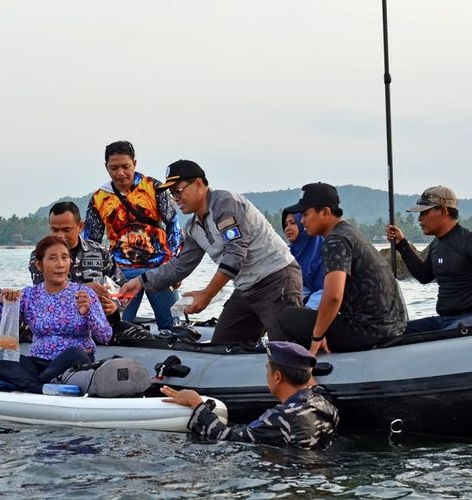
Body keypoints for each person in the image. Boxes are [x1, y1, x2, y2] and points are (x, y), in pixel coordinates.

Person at [119, 160, 302, 344]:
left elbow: (236, 253)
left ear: (198, 184)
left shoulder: (225, 203)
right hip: (246, 288)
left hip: (276, 279)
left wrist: (207, 294)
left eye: (178, 190)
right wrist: (140, 282)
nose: (175, 198)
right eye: (172, 193)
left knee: (288, 352)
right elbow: (179, 266)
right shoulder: (193, 227)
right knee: (222, 346)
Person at [278, 183, 406, 354]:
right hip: (393, 325)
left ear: (325, 212)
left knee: (288, 317)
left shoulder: (335, 240)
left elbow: (333, 296)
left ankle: (303, 361)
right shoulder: (351, 233)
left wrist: (317, 335)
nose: (302, 221)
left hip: (367, 331)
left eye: (306, 214)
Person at [0, 236, 113, 393]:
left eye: (64, 257)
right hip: (37, 364)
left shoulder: (84, 293)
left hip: (71, 365)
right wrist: (1, 302)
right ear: (39, 264)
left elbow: (105, 336)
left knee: (76, 353)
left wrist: (89, 312)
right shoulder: (29, 295)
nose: (60, 264)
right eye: (52, 258)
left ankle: (28, 385)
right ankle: (40, 387)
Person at [160, 341, 338, 449]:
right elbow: (315, 387)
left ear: (277, 377)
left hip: (290, 474)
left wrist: (196, 403)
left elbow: (226, 437)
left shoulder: (280, 418)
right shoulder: (325, 403)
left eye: (268, 370)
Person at [83, 140, 181, 330]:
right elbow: (90, 243)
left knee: (171, 327)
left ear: (134, 164)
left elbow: (173, 225)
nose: (120, 173)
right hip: (121, 272)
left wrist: (175, 266)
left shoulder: (154, 188)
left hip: (159, 268)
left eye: (125, 167)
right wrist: (92, 279)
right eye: (114, 168)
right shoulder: (99, 197)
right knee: (117, 326)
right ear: (106, 168)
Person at [386, 186, 472, 332]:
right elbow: (423, 276)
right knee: (395, 331)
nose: (420, 219)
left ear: (444, 211)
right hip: (445, 319)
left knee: (453, 331)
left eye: (424, 212)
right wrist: (402, 244)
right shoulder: (436, 244)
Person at [30, 201, 124, 324]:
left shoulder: (100, 252)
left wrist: (114, 305)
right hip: (57, 325)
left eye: (66, 230)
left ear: (80, 226)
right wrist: (82, 289)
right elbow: (41, 293)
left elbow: (121, 287)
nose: (60, 235)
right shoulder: (41, 256)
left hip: (98, 323)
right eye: (55, 230)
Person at [283, 210, 324, 309]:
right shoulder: (289, 252)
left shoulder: (322, 249)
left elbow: (329, 289)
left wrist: (308, 308)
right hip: (304, 300)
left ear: (302, 225)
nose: (287, 228)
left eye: (293, 223)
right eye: (286, 224)